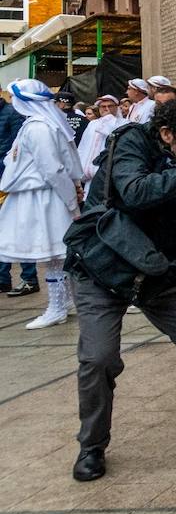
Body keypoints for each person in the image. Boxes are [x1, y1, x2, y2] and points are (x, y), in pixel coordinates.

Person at [66, 96, 176, 483]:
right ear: (166, 132)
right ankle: (91, 447)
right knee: (98, 358)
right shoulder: (130, 144)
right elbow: (137, 192)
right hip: (104, 265)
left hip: (159, 268)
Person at [0, 80, 83, 329]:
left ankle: (56, 307)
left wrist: (71, 201)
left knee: (52, 256)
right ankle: (62, 302)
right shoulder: (39, 125)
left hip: (44, 198)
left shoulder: (39, 128)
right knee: (55, 257)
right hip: (40, 194)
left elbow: (53, 169)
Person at [0, 87, 37, 297]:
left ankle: (29, 277)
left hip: (10, 179)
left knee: (19, 227)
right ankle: (2, 278)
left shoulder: (13, 115)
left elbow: (16, 150)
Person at [77, 96, 124, 182]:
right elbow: (83, 146)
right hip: (88, 174)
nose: (106, 109)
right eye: (103, 106)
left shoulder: (123, 123)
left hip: (109, 175)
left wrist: (109, 119)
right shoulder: (92, 124)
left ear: (116, 107)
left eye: (110, 106)